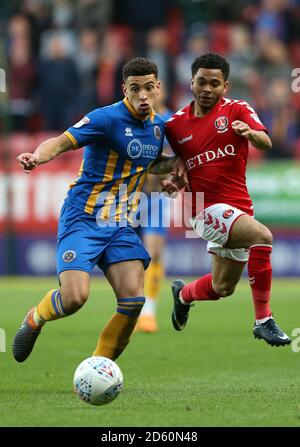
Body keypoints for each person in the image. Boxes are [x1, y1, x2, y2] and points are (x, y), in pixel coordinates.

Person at [12, 57, 179, 363]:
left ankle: (98, 367)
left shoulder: (158, 127)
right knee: (75, 298)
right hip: (84, 218)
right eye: (134, 88)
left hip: (119, 224)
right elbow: (62, 142)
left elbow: (150, 163)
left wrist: (173, 166)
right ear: (124, 89)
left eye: (148, 88)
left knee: (133, 301)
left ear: (158, 87)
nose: (142, 95)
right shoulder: (105, 119)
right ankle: (35, 317)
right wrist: (37, 157)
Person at [162, 53, 291, 347]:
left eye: (214, 83)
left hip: (237, 207)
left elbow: (266, 141)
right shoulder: (174, 125)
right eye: (202, 82)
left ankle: (183, 295)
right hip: (201, 208)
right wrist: (171, 175)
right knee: (262, 236)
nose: (207, 88)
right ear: (191, 82)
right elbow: (166, 162)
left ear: (226, 86)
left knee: (222, 287)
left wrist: (251, 134)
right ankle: (264, 321)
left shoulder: (237, 110)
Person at [135, 82, 173, 333]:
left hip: (155, 197)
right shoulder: (130, 120)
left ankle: (148, 311)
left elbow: (176, 158)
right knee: (128, 256)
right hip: (130, 196)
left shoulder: (170, 123)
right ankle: (130, 306)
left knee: (154, 253)